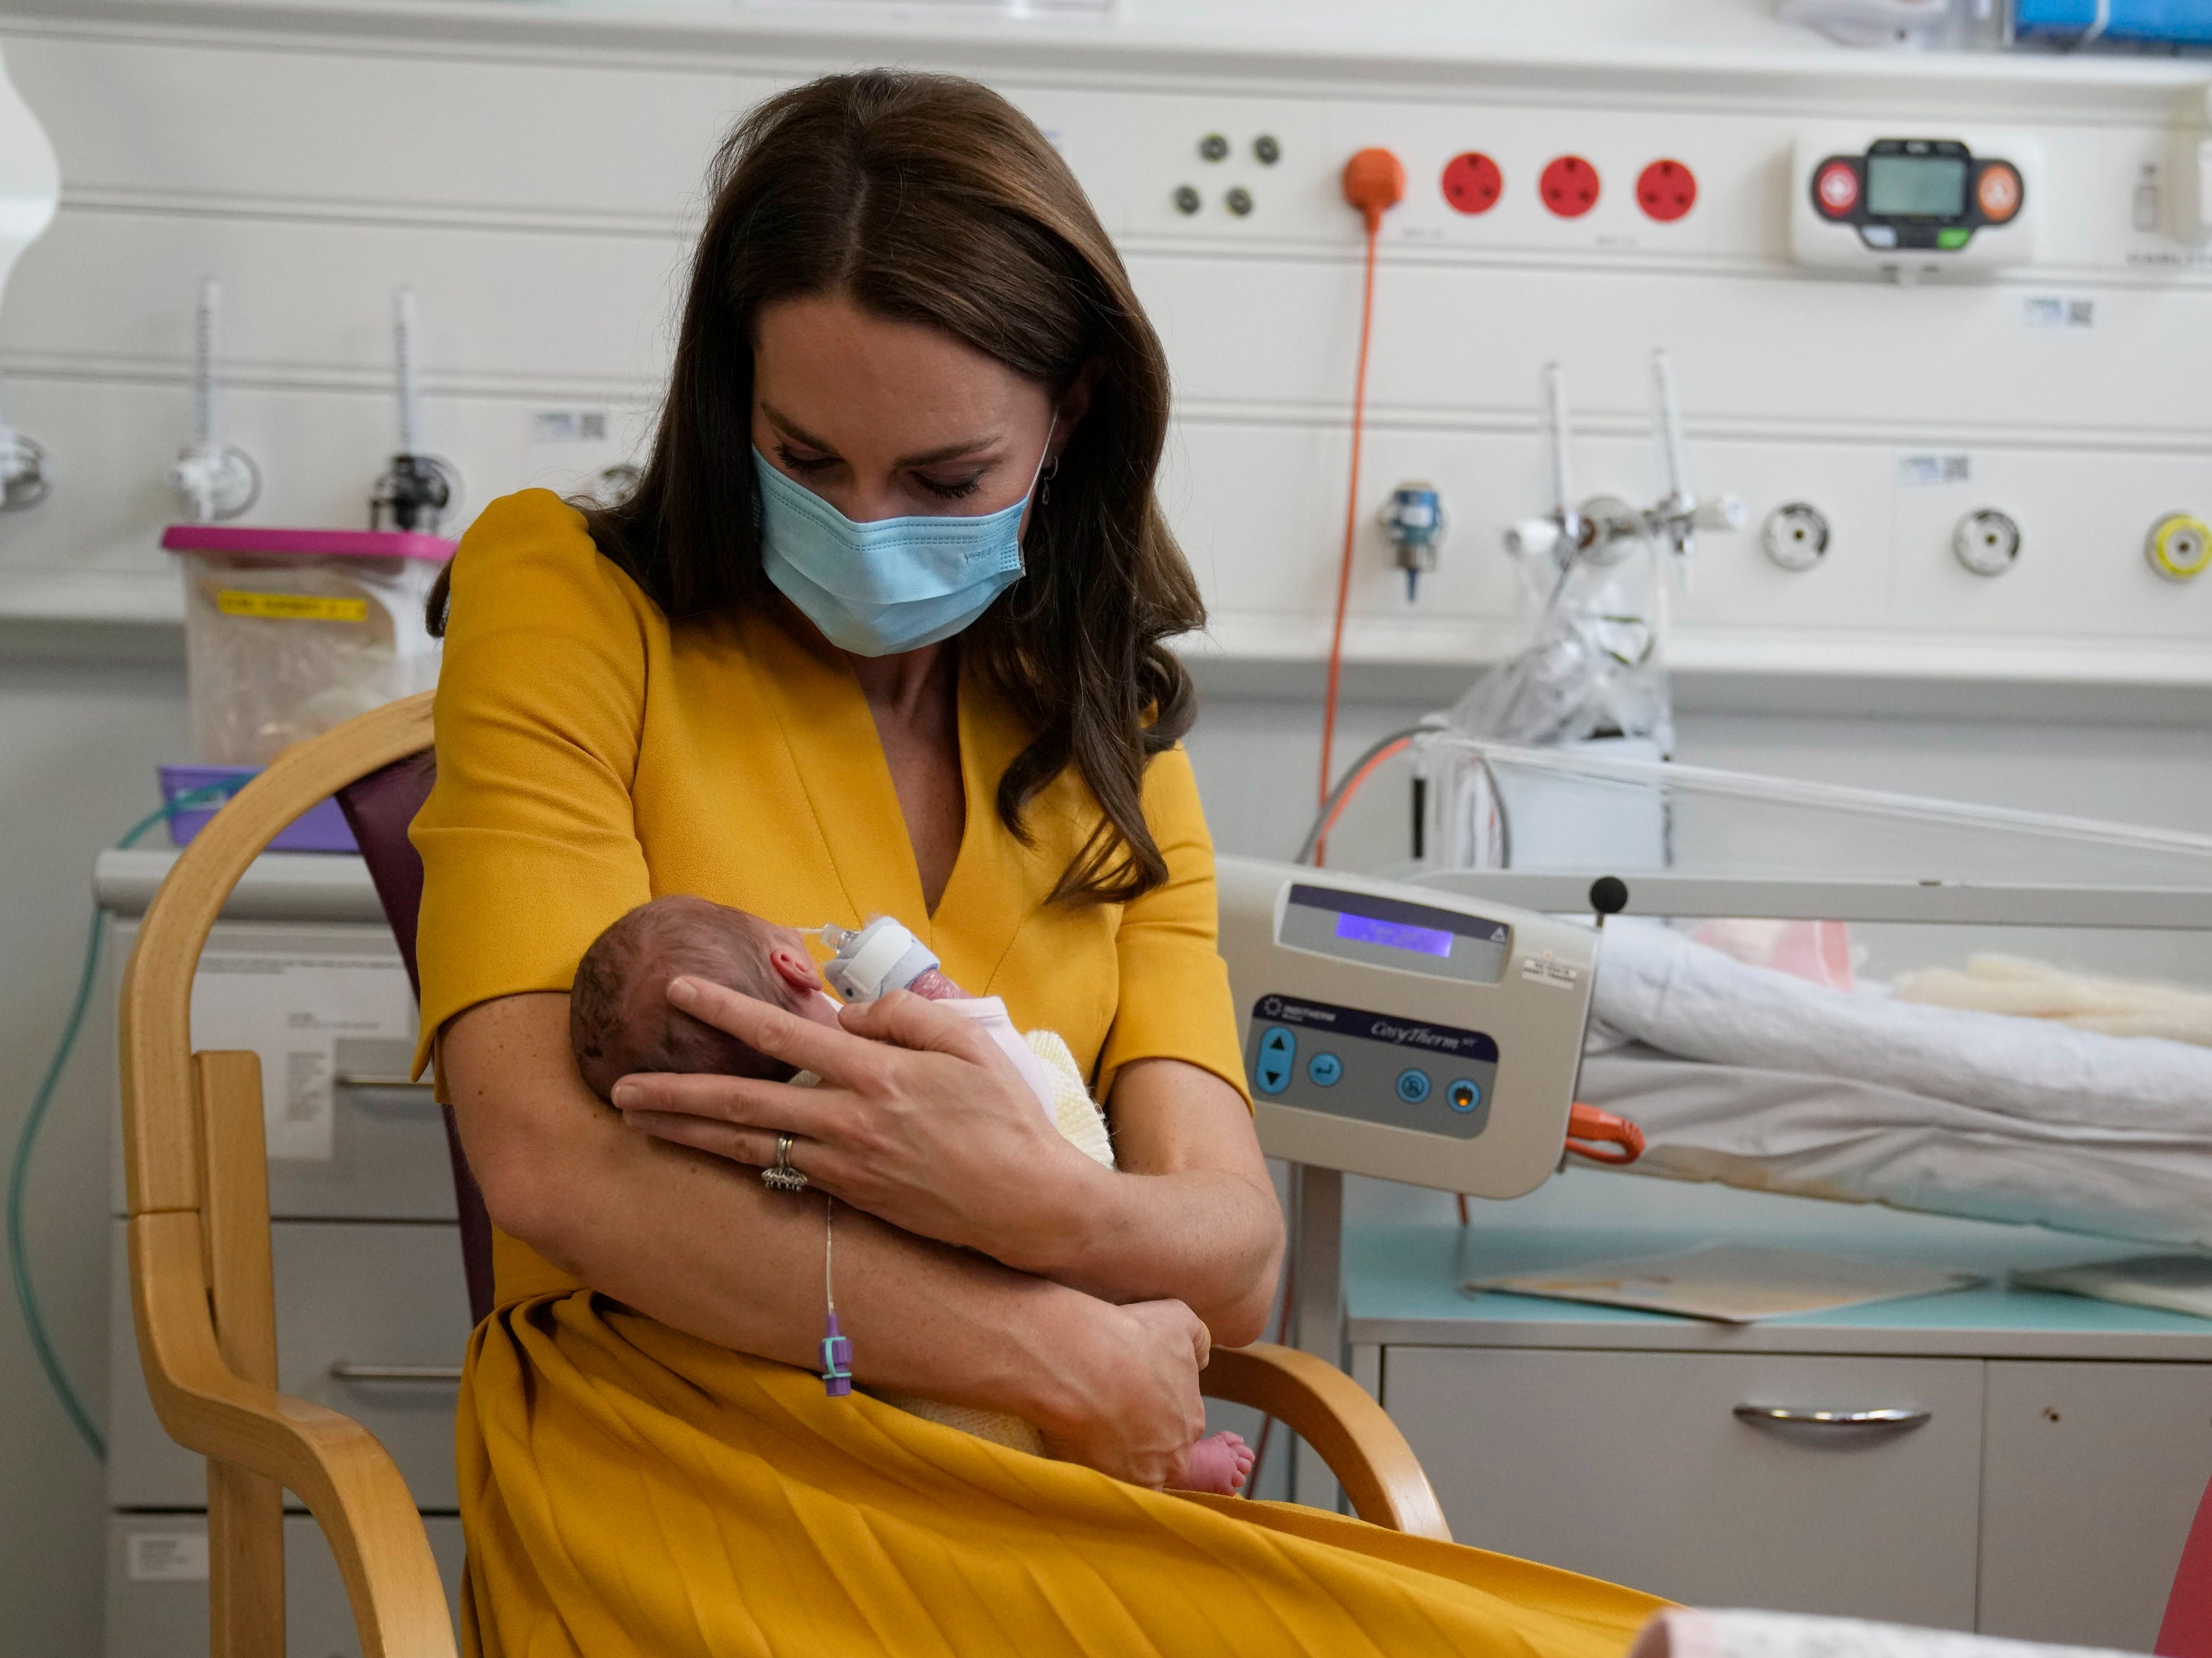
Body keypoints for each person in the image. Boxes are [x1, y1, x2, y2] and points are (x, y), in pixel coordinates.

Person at [412, 67, 1665, 1657]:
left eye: (944, 483)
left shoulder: (1107, 728)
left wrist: (1015, 1195)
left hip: (1044, 1478)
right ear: (731, 399)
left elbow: (1231, 1256)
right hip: (686, 1457)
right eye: (803, 459)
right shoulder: (571, 600)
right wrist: (1052, 1347)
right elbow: (549, 1161)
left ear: (1070, 418)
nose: (866, 526)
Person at [564, 892, 1258, 1494]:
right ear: (793, 964)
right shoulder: (896, 1041)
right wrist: (935, 993)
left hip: (905, 1418)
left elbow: (1246, 1272)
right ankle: (1169, 1467)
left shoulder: (732, 1155)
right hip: (1063, 1312)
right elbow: (1015, 1081)